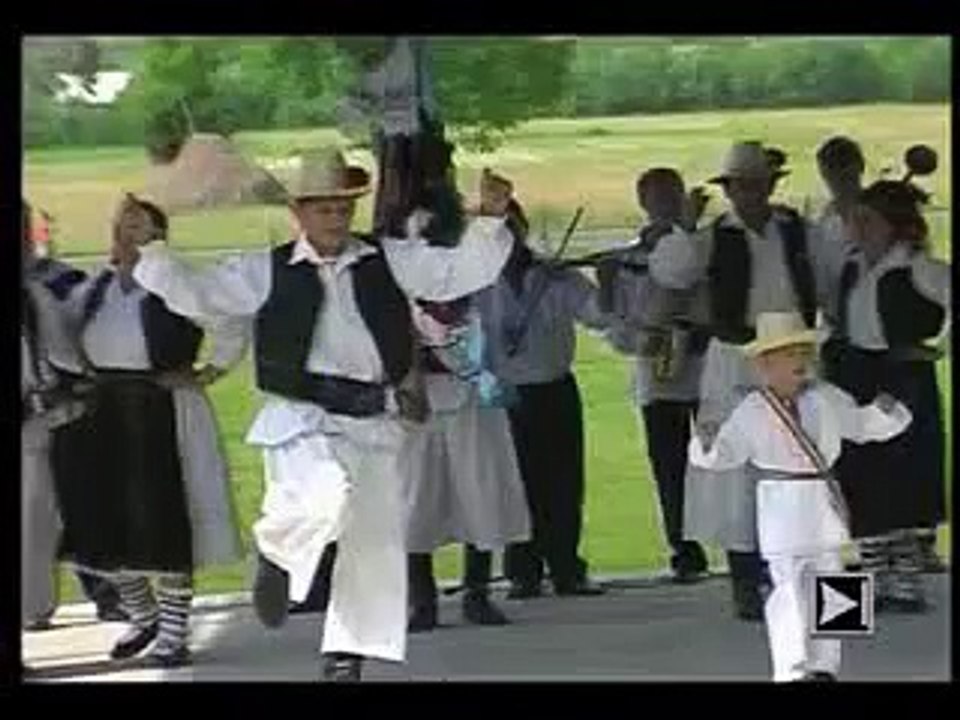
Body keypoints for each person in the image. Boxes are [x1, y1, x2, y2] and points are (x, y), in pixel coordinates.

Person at [132, 148, 516, 681]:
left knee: (371, 540)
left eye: (342, 209)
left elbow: (452, 274)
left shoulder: (390, 258)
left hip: (373, 417)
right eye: (323, 209)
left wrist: (490, 220)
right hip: (303, 415)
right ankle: (278, 551)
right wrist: (151, 250)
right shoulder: (266, 269)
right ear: (299, 213)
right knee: (323, 495)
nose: (335, 219)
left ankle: (345, 653)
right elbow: (202, 291)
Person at [648, 141, 846, 620]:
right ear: (731, 190)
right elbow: (670, 271)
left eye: (758, 184)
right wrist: (684, 225)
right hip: (736, 358)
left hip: (793, 357)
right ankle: (745, 578)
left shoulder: (800, 232)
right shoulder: (712, 237)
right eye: (742, 186)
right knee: (739, 471)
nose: (750, 194)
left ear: (771, 186)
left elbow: (831, 276)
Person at [54, 195, 245, 668]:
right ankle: (143, 616)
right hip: (104, 412)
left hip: (163, 406)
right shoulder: (94, 287)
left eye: (138, 224)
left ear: (158, 234)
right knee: (102, 521)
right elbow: (60, 338)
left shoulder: (180, 282)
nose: (126, 232)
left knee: (164, 517)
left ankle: (175, 631)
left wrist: (210, 371)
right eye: (121, 223)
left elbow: (231, 321)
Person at [689, 311, 912, 682]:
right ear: (765, 365)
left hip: (823, 502)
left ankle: (827, 665)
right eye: (789, 355)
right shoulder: (753, 409)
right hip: (782, 506)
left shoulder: (827, 397)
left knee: (835, 583)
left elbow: (860, 425)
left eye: (804, 354)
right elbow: (727, 452)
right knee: (788, 587)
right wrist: (707, 444)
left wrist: (887, 413)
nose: (800, 363)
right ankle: (794, 667)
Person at [476, 169, 609, 599]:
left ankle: (567, 568)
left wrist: (607, 282)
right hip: (503, 395)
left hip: (553, 388)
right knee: (515, 485)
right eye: (496, 232)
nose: (506, 240)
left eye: (511, 230)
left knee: (563, 483)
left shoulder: (554, 277)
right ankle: (522, 572)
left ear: (522, 230)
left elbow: (598, 315)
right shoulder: (475, 282)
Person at [822, 179, 951, 611]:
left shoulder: (917, 267)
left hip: (901, 378)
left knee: (905, 479)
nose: (857, 226)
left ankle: (907, 583)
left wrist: (937, 348)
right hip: (856, 377)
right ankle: (875, 580)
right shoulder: (853, 266)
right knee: (863, 477)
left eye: (866, 219)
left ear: (890, 225)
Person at [21, 199, 127, 631]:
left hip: (49, 418)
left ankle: (101, 594)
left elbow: (75, 334)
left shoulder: (46, 285)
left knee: (61, 514)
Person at [600, 167, 710, 582]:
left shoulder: (702, 248)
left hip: (705, 370)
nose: (666, 205)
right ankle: (683, 547)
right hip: (659, 375)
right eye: (658, 198)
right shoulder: (626, 260)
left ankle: (741, 544)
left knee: (726, 459)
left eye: (672, 196)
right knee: (669, 463)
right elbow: (619, 328)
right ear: (643, 202)